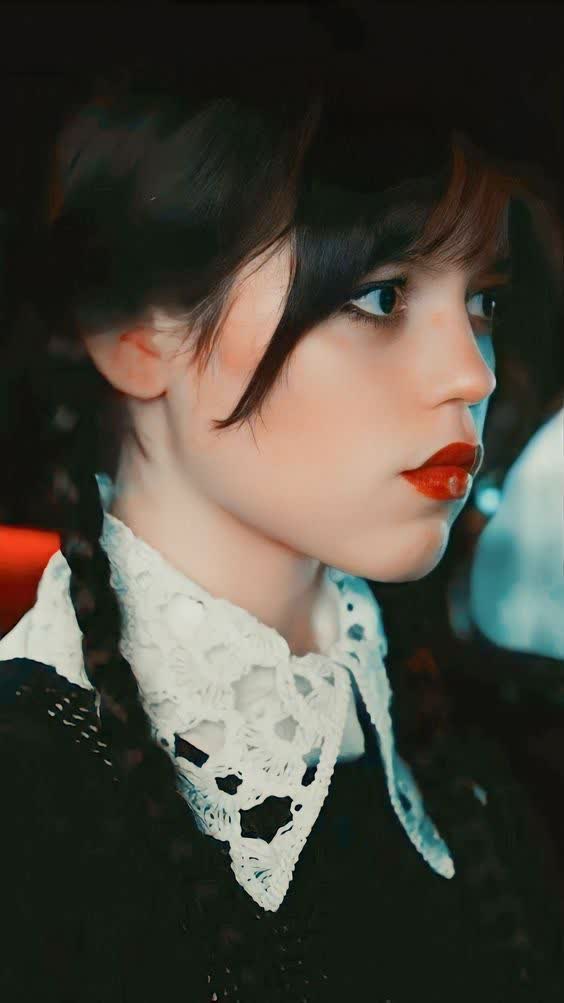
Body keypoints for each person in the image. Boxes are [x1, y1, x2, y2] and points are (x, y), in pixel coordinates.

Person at [0, 33, 563, 1003]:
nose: (471, 373)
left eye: (482, 301)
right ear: (136, 332)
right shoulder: (32, 807)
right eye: (382, 295)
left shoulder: (465, 751)